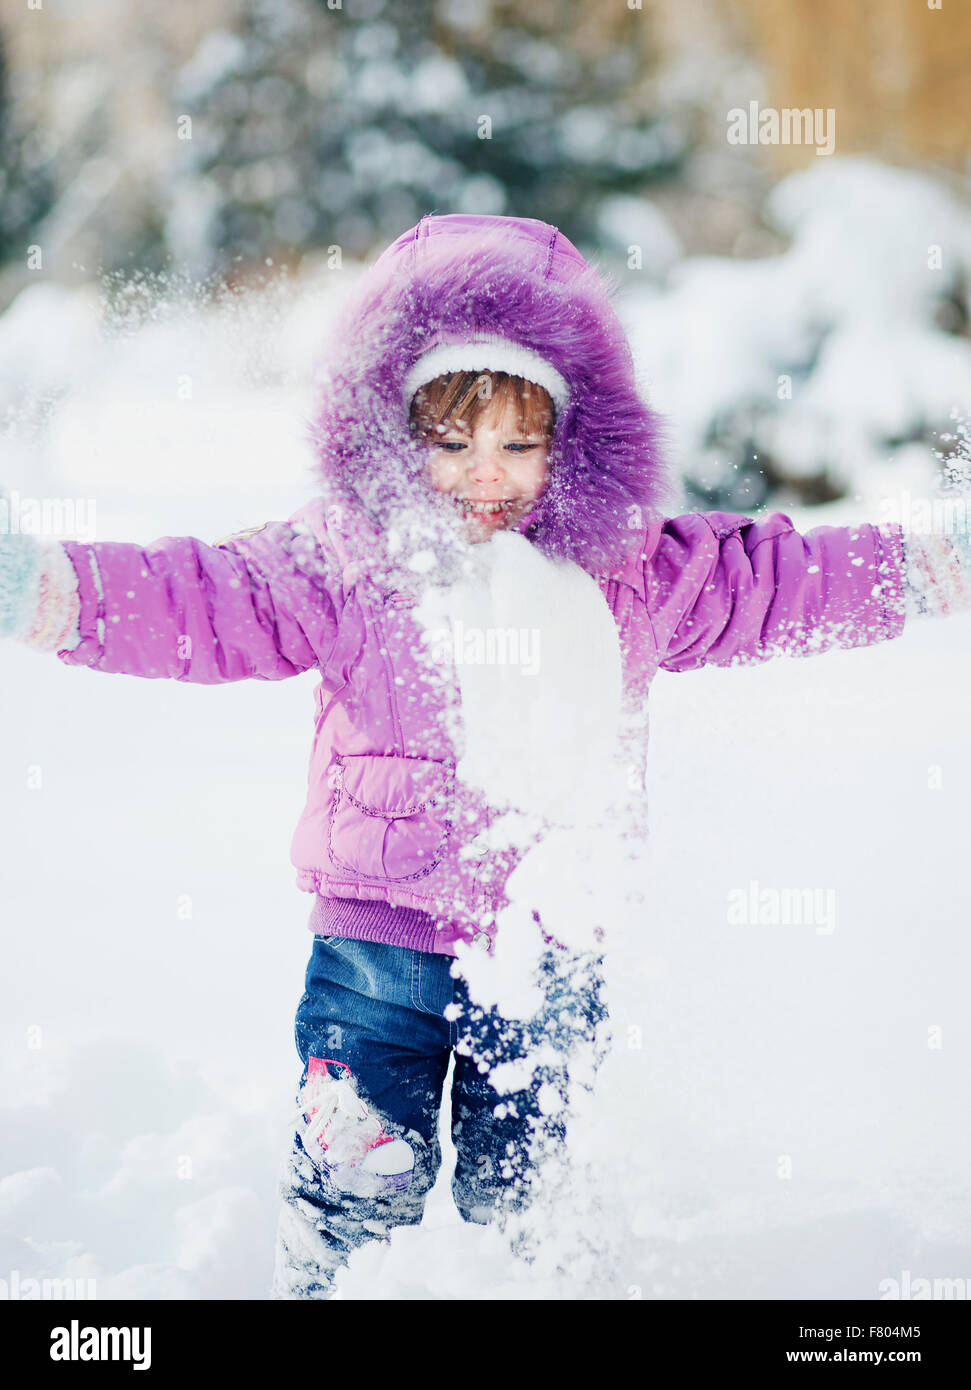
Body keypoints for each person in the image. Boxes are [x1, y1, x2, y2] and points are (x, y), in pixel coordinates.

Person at [1, 213, 967, 1299]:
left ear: (573, 437)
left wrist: (931, 560)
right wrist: (48, 589)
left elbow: (777, 577)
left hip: (553, 952)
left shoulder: (628, 569)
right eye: (449, 440)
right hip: (377, 952)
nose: (484, 476)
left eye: (520, 440)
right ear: (391, 431)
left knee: (532, 1209)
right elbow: (199, 597)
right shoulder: (346, 559)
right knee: (352, 1181)